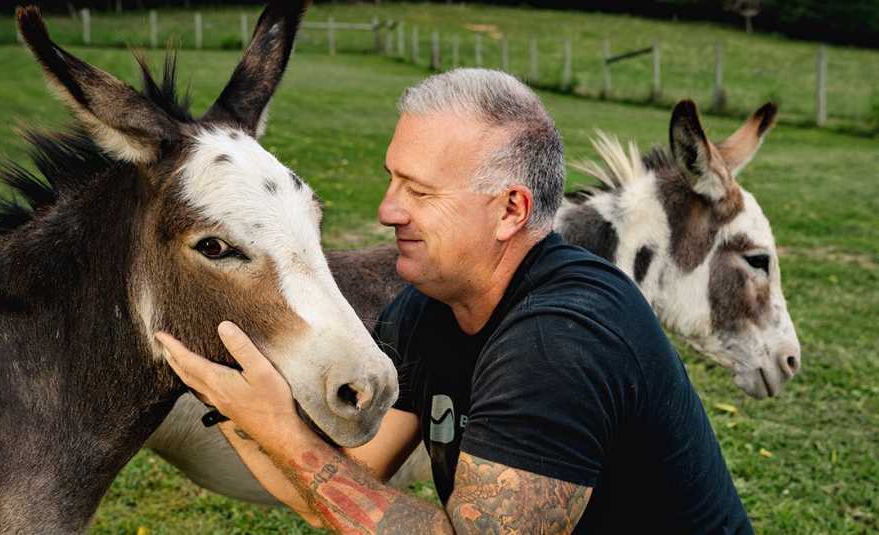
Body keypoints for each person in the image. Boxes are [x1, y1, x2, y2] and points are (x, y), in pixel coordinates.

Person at [157, 68, 753, 534]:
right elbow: (344, 484)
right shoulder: (428, 309)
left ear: (511, 211)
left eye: (418, 190)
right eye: (392, 179)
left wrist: (285, 437)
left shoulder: (561, 338)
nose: (387, 210)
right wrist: (248, 414)